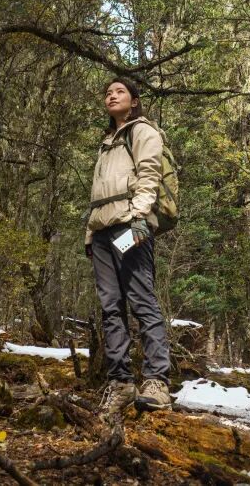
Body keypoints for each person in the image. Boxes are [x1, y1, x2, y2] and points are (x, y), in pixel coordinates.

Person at [85, 77, 173, 416]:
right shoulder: (107, 142)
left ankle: (157, 382)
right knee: (110, 307)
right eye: (107, 92)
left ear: (134, 101)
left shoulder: (143, 131)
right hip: (103, 234)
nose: (111, 95)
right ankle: (120, 382)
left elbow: (149, 174)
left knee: (141, 299)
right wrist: (89, 234)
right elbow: (97, 193)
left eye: (119, 91)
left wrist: (139, 217)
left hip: (130, 226)